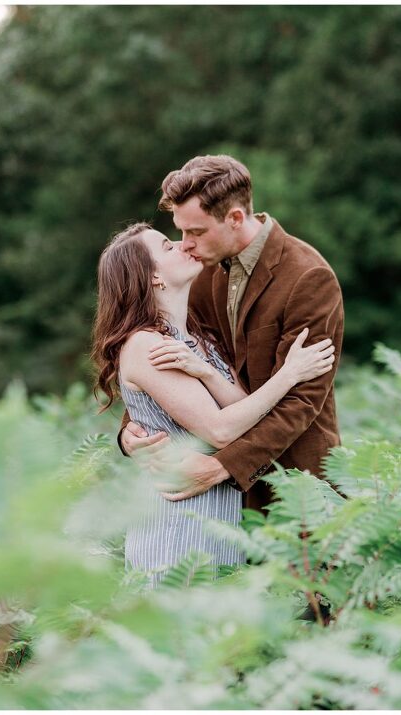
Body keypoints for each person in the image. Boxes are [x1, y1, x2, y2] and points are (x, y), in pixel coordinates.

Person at [91, 222, 335, 586]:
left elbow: (243, 407)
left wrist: (206, 372)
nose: (182, 245)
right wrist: (289, 374)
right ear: (153, 277)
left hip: (219, 525)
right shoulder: (145, 345)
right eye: (167, 245)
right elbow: (221, 430)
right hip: (177, 532)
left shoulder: (195, 337)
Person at [120, 155, 344, 513]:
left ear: (236, 218)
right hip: (221, 505)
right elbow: (173, 349)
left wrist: (221, 466)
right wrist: (133, 428)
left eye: (196, 232)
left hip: (300, 490)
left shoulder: (308, 277)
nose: (185, 244)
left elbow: (302, 401)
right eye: (180, 231)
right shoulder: (199, 272)